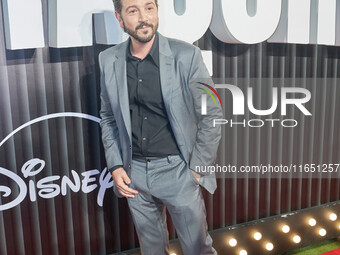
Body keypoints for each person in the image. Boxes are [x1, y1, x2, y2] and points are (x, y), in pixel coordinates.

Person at [98, 0, 222, 254]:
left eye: (149, 8)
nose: (144, 17)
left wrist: (196, 168)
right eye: (133, 11)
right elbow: (108, 117)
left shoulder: (187, 55)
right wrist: (116, 165)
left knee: (198, 248)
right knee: (152, 250)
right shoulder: (108, 59)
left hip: (178, 170)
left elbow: (213, 112)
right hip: (135, 175)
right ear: (119, 18)